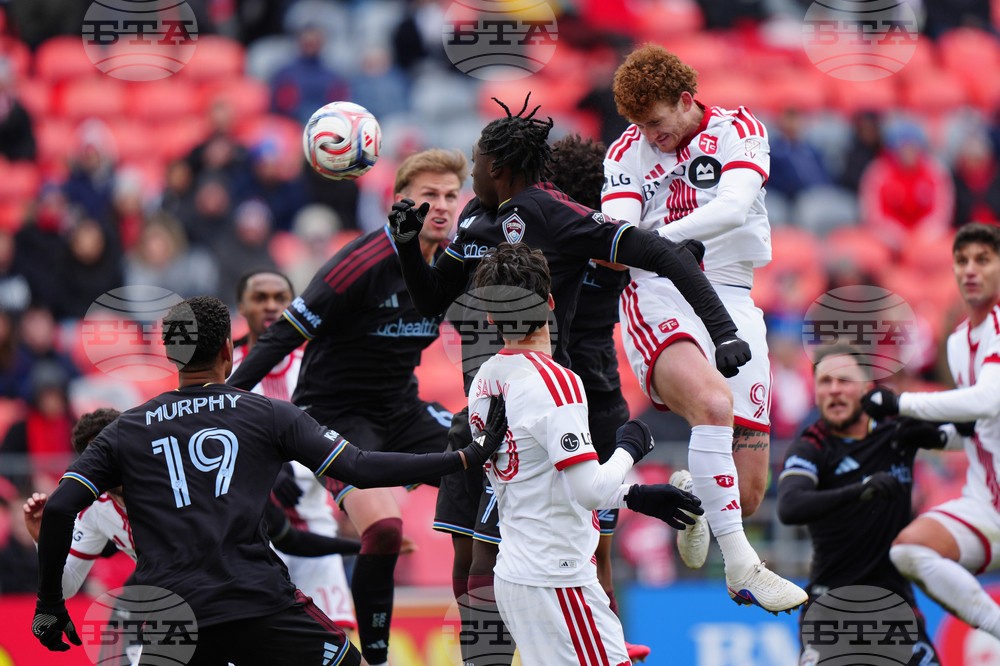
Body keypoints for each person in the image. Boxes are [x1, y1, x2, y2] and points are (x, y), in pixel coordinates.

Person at [389, 94, 751, 663]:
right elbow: (433, 297)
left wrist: (724, 331)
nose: (472, 173)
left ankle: (593, 642)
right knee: (473, 564)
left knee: (500, 561)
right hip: (481, 399)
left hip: (533, 403)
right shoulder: (477, 220)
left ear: (499, 168)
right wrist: (409, 247)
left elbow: (665, 255)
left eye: (478, 163)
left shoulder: (558, 214)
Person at [30, 295, 508, 664]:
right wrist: (461, 459)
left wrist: (49, 604)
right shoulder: (266, 414)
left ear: (172, 356)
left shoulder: (124, 431)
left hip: (170, 617)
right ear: (227, 351)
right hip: (256, 601)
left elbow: (57, 509)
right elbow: (360, 467)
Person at [228, 149, 468, 666]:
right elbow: (277, 340)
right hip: (335, 414)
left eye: (452, 195)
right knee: (383, 529)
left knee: (498, 478)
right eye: (430, 196)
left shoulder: (455, 263)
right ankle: (377, 660)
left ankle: (517, 625)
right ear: (401, 202)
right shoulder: (359, 264)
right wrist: (225, 401)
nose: (444, 207)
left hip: (401, 408)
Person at [601, 44, 805, 612]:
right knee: (713, 403)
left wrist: (662, 237)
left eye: (658, 122)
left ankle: (692, 495)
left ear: (687, 100)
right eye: (640, 125)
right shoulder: (626, 153)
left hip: (734, 293)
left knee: (748, 492)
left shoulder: (740, 128)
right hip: (658, 290)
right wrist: (661, 254)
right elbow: (619, 239)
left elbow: (735, 207)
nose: (650, 135)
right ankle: (744, 569)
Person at [468, 242, 704, 666]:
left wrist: (635, 496)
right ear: (551, 302)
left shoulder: (485, 379)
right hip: (558, 580)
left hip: (518, 575)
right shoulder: (556, 384)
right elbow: (591, 491)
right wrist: (631, 446)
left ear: (489, 316)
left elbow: (544, 480)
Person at [23, 407, 363, 600]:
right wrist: (44, 539)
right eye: (97, 455)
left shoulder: (183, 475)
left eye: (114, 449)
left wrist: (358, 547)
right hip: (180, 603)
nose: (108, 462)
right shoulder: (95, 510)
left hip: (244, 591)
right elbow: (64, 588)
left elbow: (285, 536)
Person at [861, 222, 1000, 641]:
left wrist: (902, 405)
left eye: (983, 260)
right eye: (961, 261)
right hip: (986, 503)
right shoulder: (958, 342)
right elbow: (981, 425)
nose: (970, 270)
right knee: (909, 549)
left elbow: (988, 401)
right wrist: (939, 438)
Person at [547, 133, 649, 660]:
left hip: (559, 398)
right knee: (598, 548)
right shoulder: (613, 243)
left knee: (566, 543)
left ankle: (590, 644)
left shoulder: (549, 242)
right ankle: (609, 643)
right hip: (603, 397)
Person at [778, 344, 943, 666]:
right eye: (825, 382)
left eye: (845, 380)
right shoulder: (812, 446)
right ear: (815, 391)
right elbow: (789, 506)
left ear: (868, 388)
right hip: (831, 610)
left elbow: (967, 428)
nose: (834, 390)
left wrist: (931, 426)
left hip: (895, 608)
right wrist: (861, 491)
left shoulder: (896, 433)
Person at [231, 268, 356, 630]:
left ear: (293, 306)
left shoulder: (316, 369)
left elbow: (341, 439)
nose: (271, 306)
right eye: (260, 298)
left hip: (316, 525)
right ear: (241, 305)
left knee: (338, 641)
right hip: (249, 538)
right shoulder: (227, 375)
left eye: (280, 298)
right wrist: (265, 471)